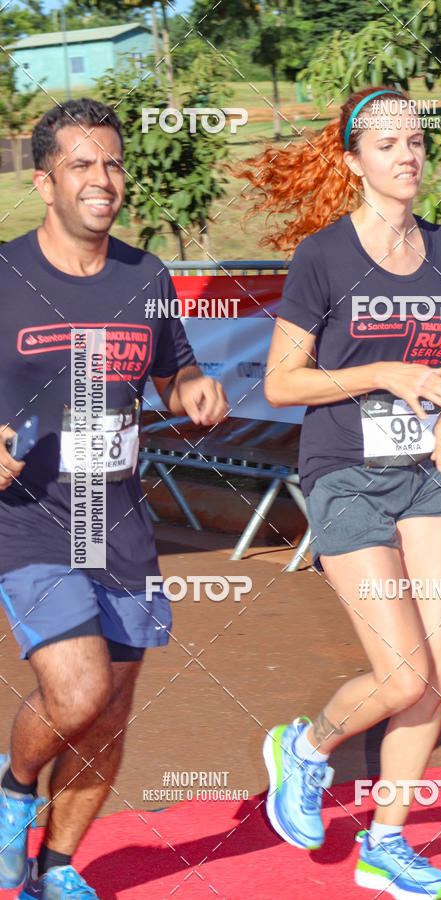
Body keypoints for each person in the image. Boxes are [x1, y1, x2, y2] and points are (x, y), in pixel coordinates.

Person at [238, 87, 441, 898]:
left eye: (415, 141)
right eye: (387, 145)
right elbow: (281, 384)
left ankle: (386, 843)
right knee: (402, 675)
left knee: (440, 670)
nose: (407, 155)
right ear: (354, 160)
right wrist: (382, 372)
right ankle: (306, 750)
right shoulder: (323, 256)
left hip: (428, 477)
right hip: (345, 473)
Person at [0, 99, 228, 899]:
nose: (103, 180)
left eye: (113, 164)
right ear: (45, 182)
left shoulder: (147, 277)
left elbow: (176, 369)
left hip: (120, 522)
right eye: (82, 166)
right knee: (77, 689)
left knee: (108, 715)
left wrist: (195, 387)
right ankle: (13, 786)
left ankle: (54, 868)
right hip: (28, 519)